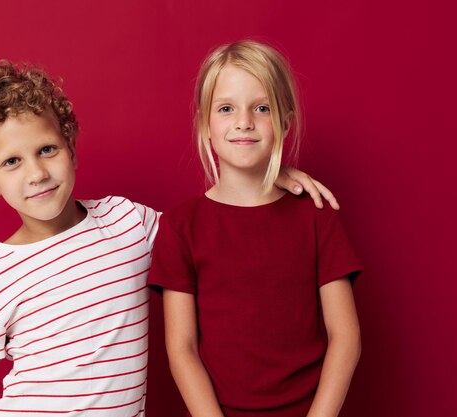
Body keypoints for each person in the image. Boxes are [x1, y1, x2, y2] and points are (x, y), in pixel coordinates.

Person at [0, 60, 340, 417]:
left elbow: (213, 232)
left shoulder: (127, 222)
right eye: (11, 162)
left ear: (71, 150)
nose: (36, 173)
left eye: (47, 150)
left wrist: (268, 175)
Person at [148, 40, 363, 417]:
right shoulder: (181, 226)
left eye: (261, 108)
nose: (244, 121)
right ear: (205, 123)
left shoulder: (316, 216)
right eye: (227, 108)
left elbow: (345, 338)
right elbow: (181, 348)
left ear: (285, 120)